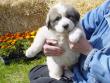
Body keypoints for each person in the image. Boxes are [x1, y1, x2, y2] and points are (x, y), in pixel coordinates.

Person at [29, 0, 110, 83]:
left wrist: (88, 51)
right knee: (34, 72)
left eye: (69, 17)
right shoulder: (107, 7)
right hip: (75, 67)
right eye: (58, 19)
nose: (64, 22)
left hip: (90, 77)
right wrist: (47, 44)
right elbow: (82, 24)